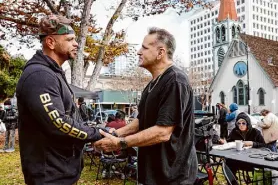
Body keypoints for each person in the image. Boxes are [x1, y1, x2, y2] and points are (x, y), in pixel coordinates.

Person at [94, 27, 198, 185]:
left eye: (144, 47)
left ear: (160, 53)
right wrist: (114, 134)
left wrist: (121, 143)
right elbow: (141, 121)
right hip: (152, 173)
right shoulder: (152, 84)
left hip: (173, 176)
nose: (138, 52)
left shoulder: (175, 81)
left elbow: (163, 132)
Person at [16, 14, 103, 185]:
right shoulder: (40, 76)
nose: (76, 43)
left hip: (62, 171)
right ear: (51, 42)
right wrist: (96, 133)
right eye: (70, 39)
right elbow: (59, 123)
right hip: (49, 176)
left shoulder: (53, 73)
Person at [222, 112, 267, 176]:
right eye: (239, 123)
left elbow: (264, 145)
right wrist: (225, 142)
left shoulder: (255, 132)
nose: (241, 125)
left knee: (260, 166)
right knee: (228, 162)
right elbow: (228, 142)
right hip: (238, 159)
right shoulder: (234, 131)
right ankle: (232, 181)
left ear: (248, 123)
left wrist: (252, 143)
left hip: (252, 159)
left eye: (243, 123)